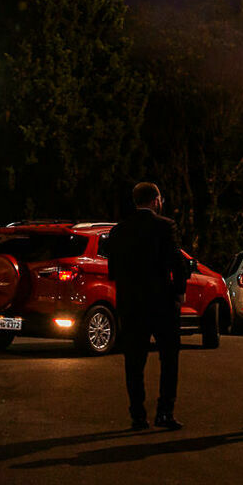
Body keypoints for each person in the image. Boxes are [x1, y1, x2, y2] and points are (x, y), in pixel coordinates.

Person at [102, 181, 189, 431]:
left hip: (131, 304)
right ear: (155, 201)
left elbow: (113, 270)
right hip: (162, 302)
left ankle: (137, 415)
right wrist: (180, 291)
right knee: (169, 359)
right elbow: (176, 260)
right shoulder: (165, 226)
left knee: (134, 362)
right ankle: (165, 412)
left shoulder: (119, 231)